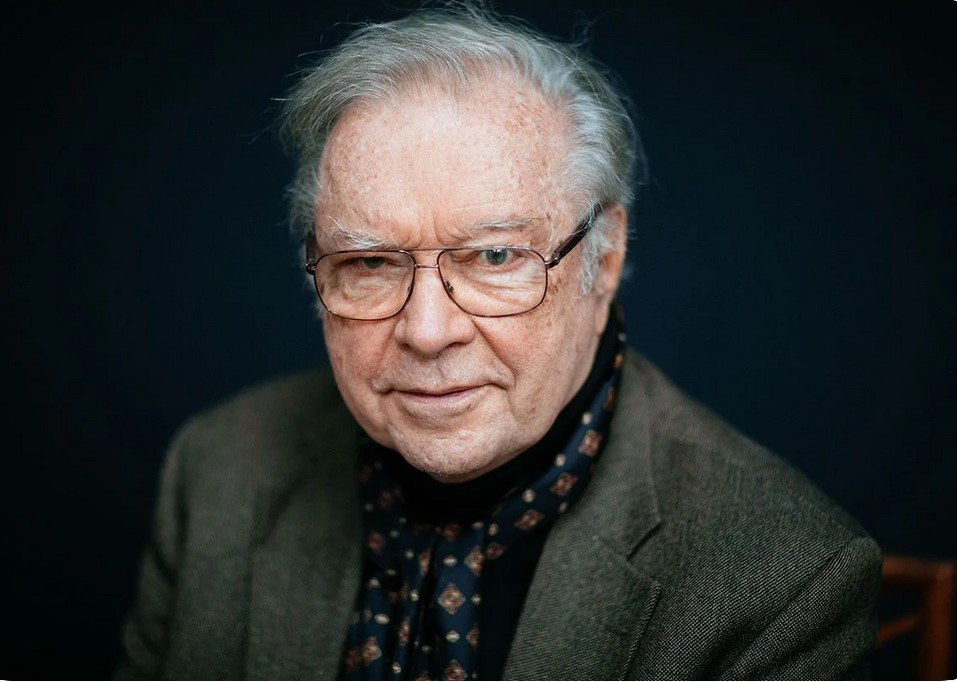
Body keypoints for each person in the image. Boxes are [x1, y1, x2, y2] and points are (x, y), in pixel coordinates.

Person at [117, 4, 881, 680]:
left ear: (603, 259)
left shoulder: (784, 579)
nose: (426, 332)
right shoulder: (218, 468)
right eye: (370, 263)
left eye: (493, 256)